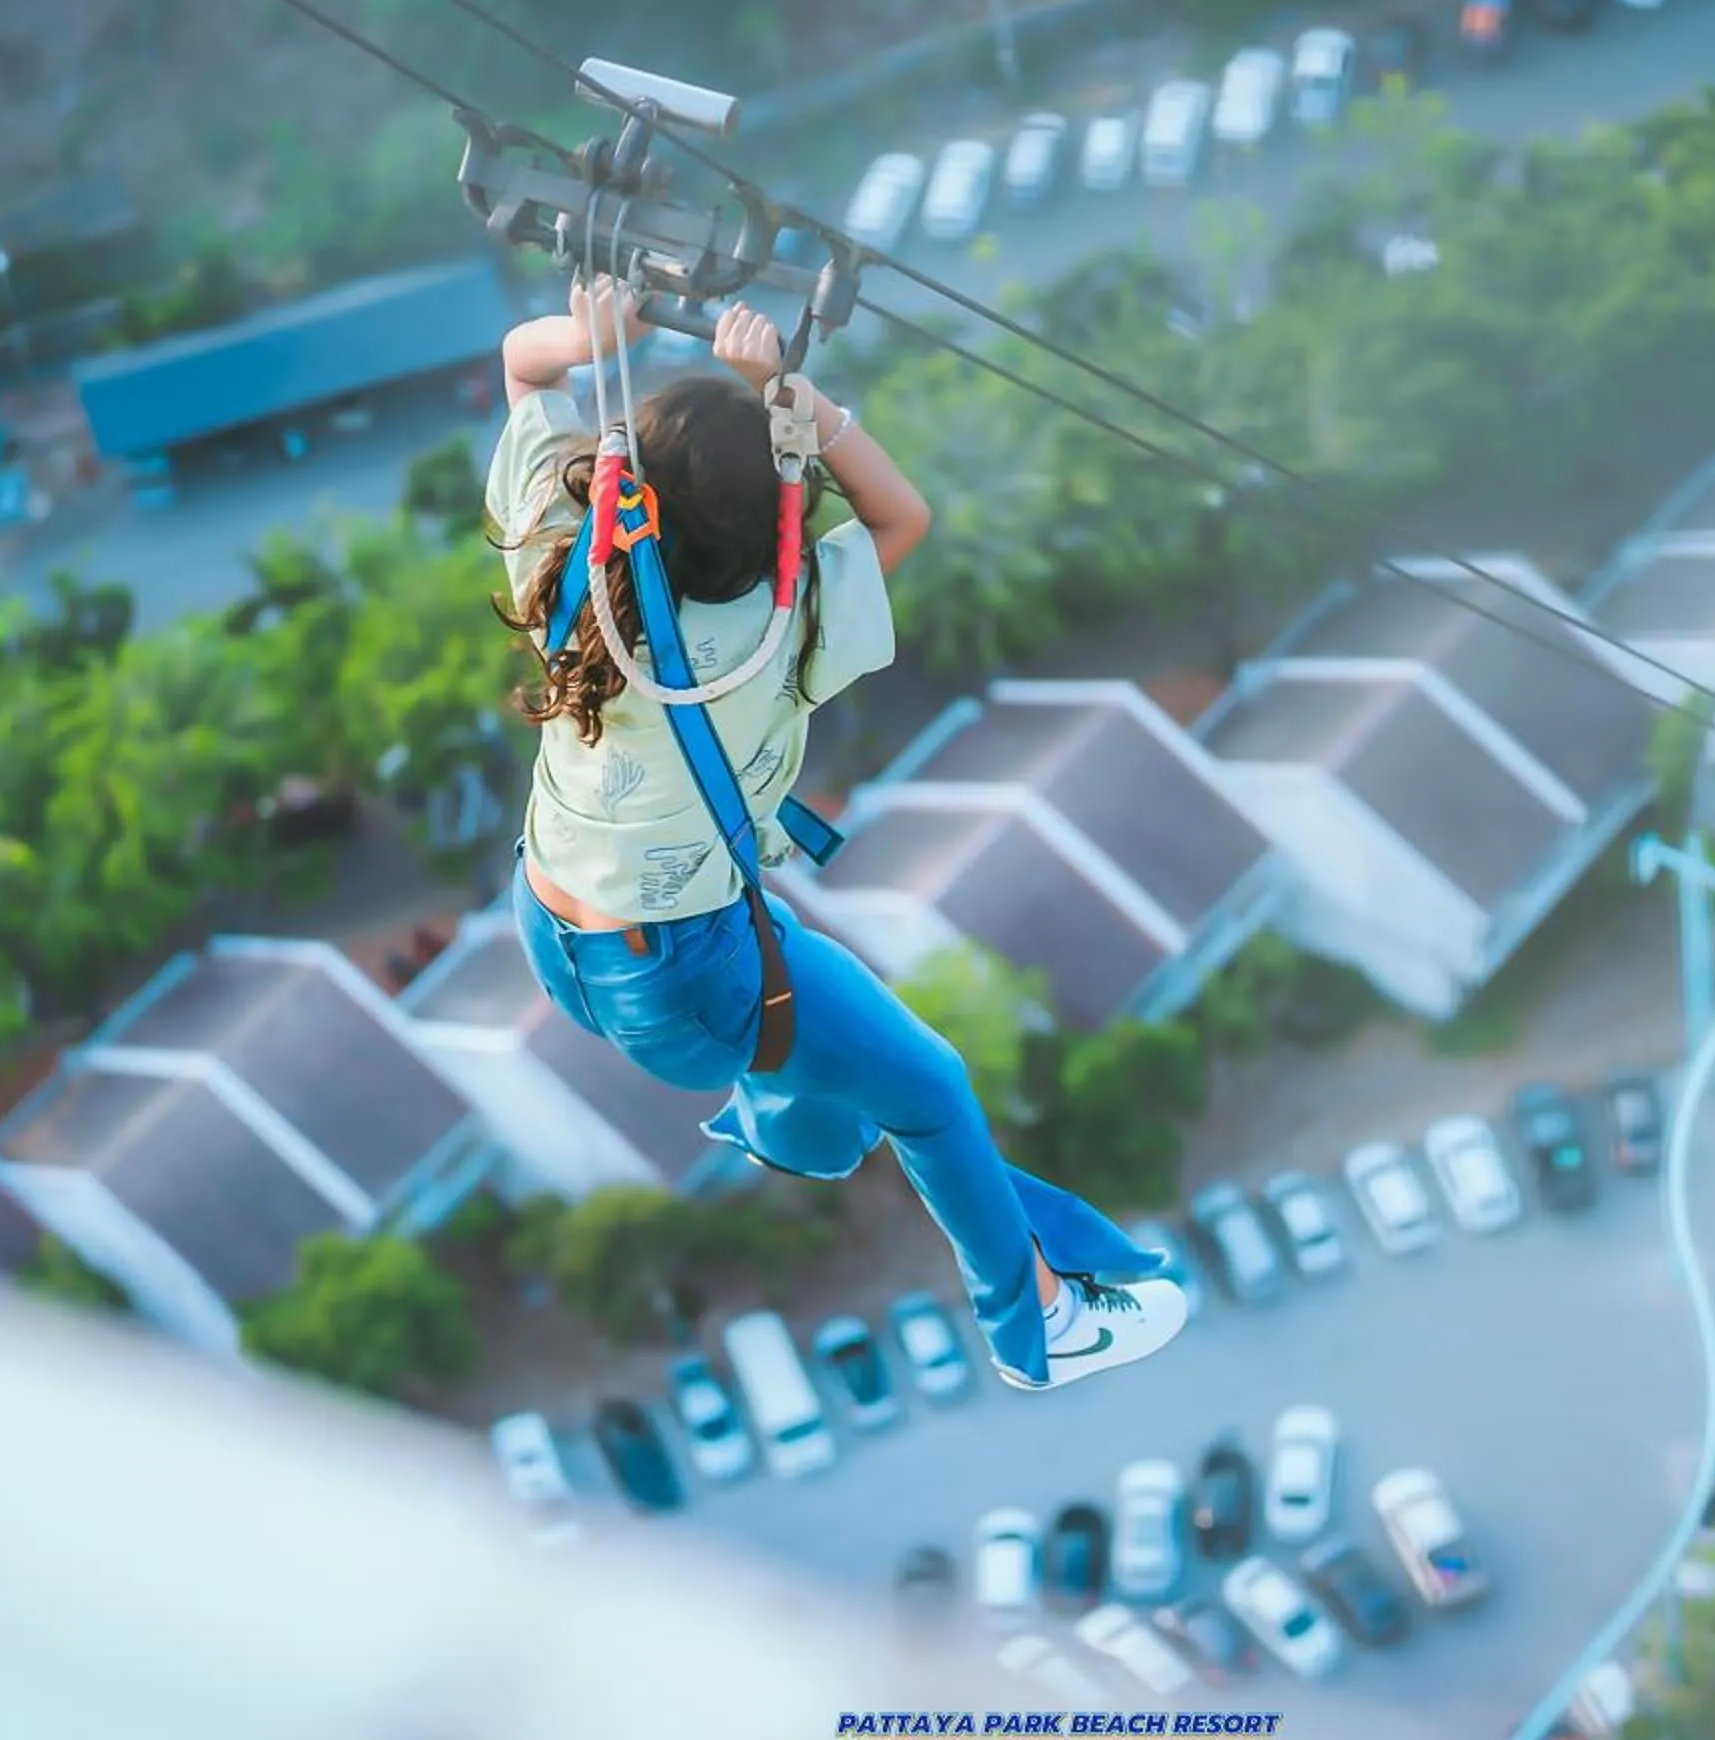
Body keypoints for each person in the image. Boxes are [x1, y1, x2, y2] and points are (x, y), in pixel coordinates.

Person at [484, 277, 1191, 1391]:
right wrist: (788, 391)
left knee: (855, 1087)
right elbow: (902, 513)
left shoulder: (568, 557)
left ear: (626, 491)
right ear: (778, 522)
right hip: (687, 976)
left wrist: (590, 339)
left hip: (553, 931)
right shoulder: (792, 613)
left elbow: (528, 369)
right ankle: (1037, 1326)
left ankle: (795, 1121)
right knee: (932, 1090)